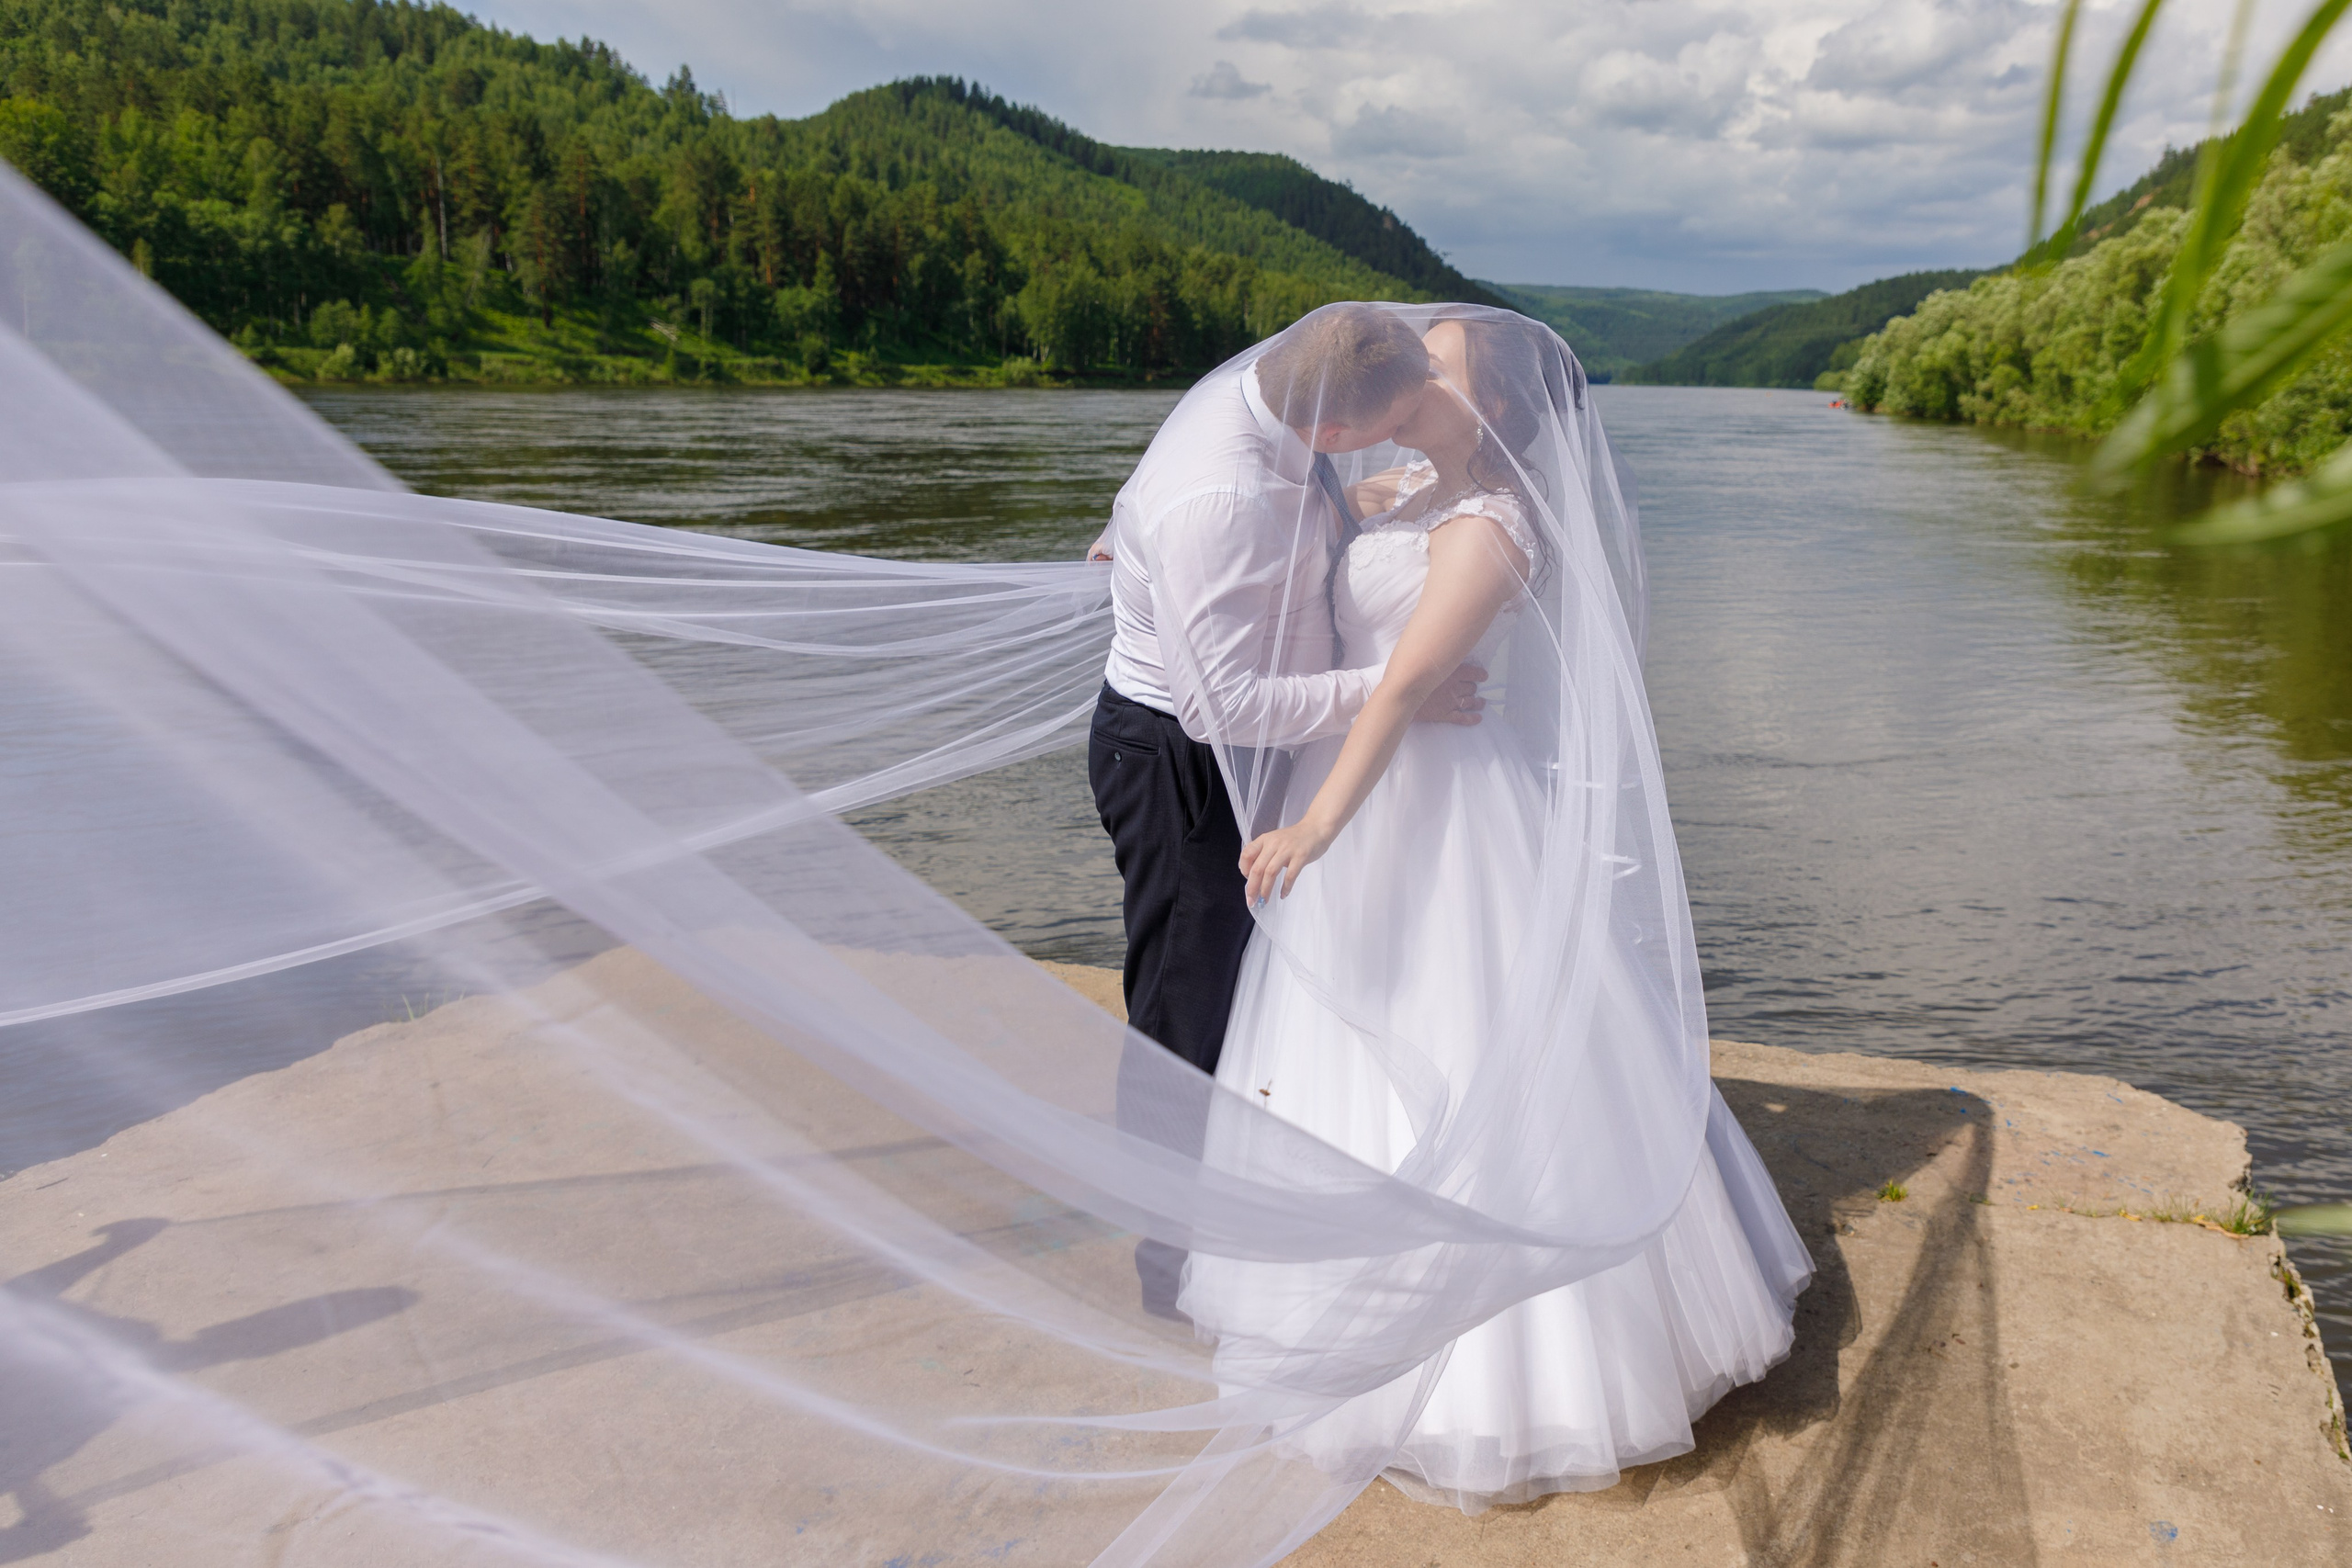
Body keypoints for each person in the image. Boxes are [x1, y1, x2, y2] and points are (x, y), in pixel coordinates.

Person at [1175, 310, 1815, 1511]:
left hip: (1439, 812)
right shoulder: (1408, 485)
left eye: (1437, 365)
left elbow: (1413, 680)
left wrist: (1316, 825)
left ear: (1500, 412)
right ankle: (1324, 1298)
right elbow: (1302, 521)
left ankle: (1510, 1377)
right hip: (1375, 796)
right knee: (1348, 1039)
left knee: (1460, 1035)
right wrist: (1152, 542)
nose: (1412, 366)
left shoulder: (1495, 525)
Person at [1086, 304, 1487, 1319]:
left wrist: (1366, 498)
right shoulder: (1219, 500)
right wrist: (1399, 685)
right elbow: (1222, 706)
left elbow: (1281, 509)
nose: (1421, 418)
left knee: (1267, 993)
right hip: (1183, 761)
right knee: (1188, 1009)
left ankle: (1255, 1204)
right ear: (1334, 428)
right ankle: (1170, 1266)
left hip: (1262, 743)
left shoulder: (1280, 395)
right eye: (1403, 416)